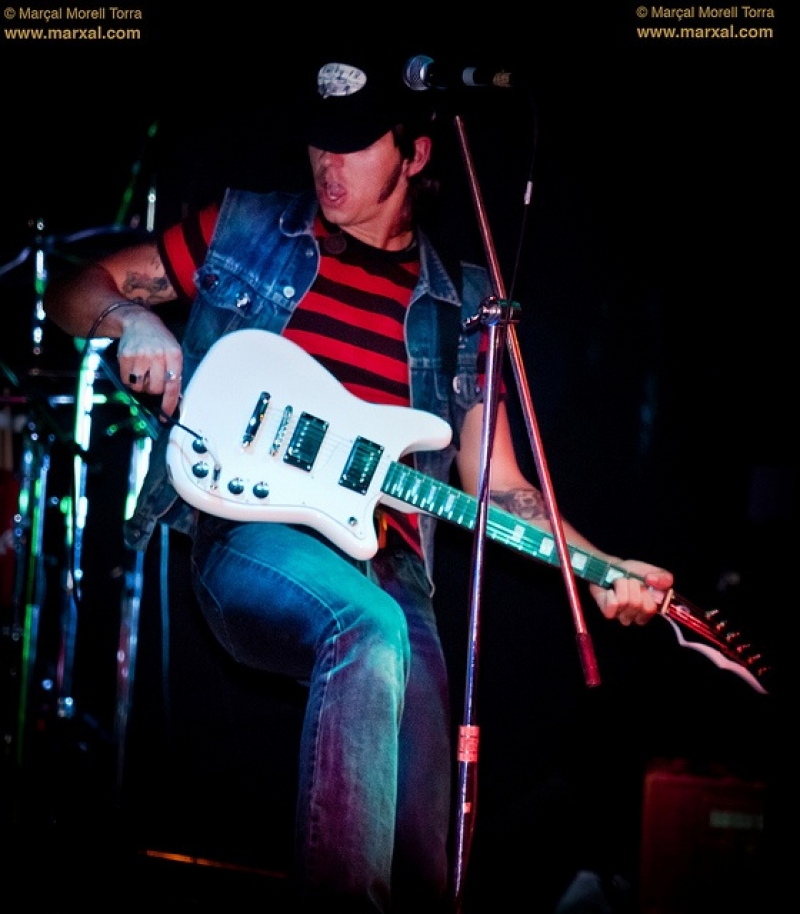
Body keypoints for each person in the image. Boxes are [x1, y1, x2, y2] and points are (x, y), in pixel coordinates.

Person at [44, 54, 674, 913]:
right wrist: (130, 318)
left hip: (391, 566)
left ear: (416, 153)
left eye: (354, 144)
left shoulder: (467, 308)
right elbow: (76, 286)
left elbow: (501, 485)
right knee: (365, 628)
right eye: (319, 140)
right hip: (252, 534)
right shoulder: (249, 228)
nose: (326, 164)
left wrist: (597, 572)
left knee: (421, 853)